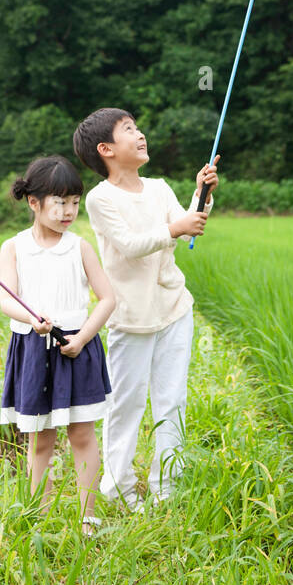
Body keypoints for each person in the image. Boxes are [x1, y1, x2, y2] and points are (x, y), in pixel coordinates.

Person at [72, 108, 219, 509]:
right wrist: (178, 227)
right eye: (129, 131)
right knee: (127, 404)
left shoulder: (159, 187)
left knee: (172, 400)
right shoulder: (101, 200)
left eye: (137, 128)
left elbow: (189, 223)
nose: (140, 136)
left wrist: (201, 194)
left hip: (174, 308)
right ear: (106, 149)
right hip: (131, 318)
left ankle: (165, 489)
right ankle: (117, 489)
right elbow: (132, 245)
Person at [0, 154, 115, 535]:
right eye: (60, 202)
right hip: (34, 351)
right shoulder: (13, 247)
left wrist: (83, 338)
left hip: (76, 349)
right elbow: (7, 300)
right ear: (34, 203)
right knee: (40, 439)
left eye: (74, 202)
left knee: (82, 434)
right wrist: (31, 319)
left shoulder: (78, 247)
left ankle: (88, 517)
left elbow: (108, 298)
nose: (69, 211)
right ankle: (39, 518)